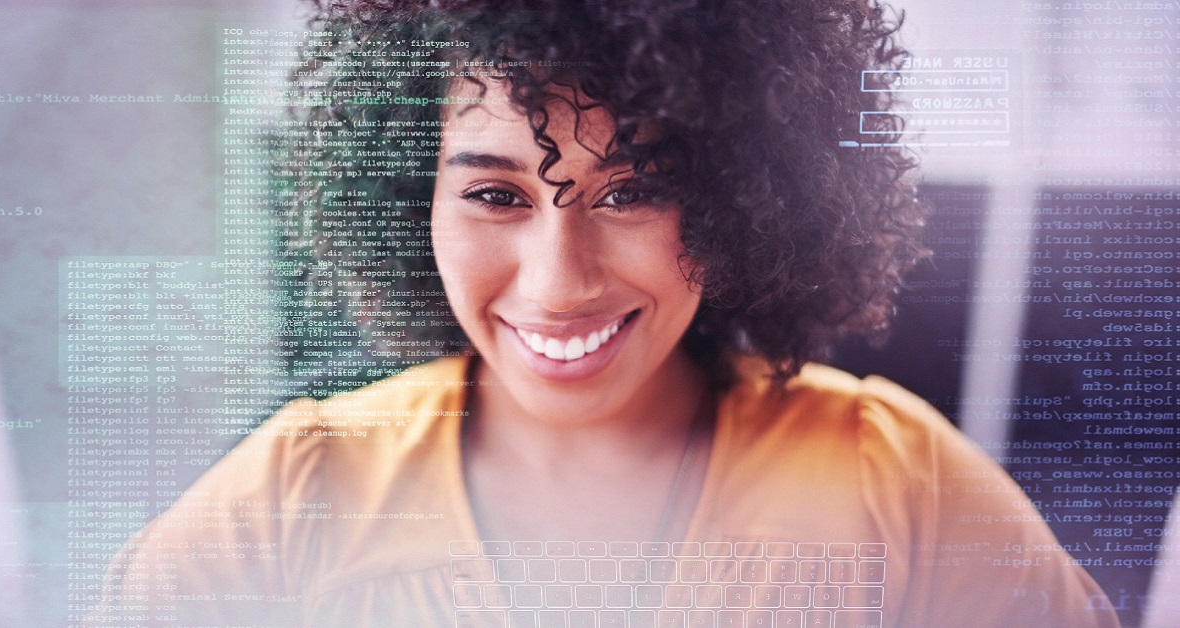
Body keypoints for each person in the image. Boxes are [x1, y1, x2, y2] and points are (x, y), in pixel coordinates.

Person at [90, 0, 1120, 626]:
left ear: (742, 194)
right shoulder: (289, 498)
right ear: (409, 197)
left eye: (632, 191)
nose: (558, 280)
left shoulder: (895, 484)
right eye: (496, 195)